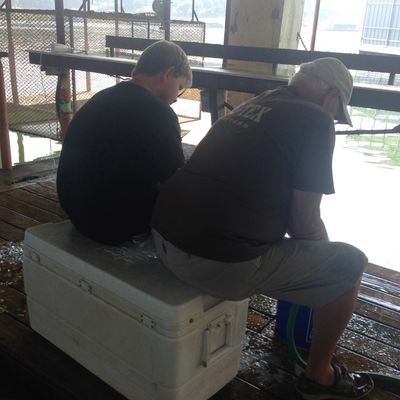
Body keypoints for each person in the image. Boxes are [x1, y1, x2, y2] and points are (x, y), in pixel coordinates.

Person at [151, 57, 374, 400]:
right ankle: (319, 377)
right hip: (212, 262)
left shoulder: (256, 103)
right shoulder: (316, 119)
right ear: (331, 97)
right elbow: (304, 223)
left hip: (162, 238)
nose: (333, 118)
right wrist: (324, 265)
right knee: (349, 266)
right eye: (336, 111)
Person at [57, 40, 192, 245]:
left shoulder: (101, 98)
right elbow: (174, 179)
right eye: (180, 87)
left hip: (77, 214)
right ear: (168, 74)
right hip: (117, 226)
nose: (176, 98)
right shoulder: (160, 113)